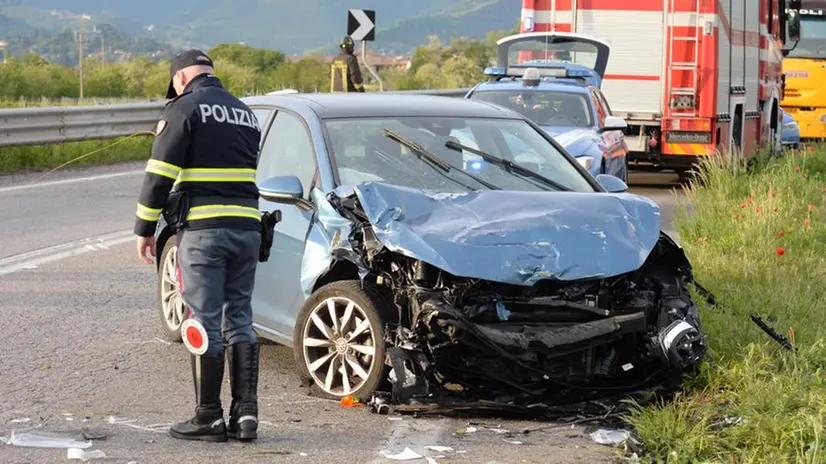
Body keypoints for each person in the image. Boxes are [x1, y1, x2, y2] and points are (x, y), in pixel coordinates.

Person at [133, 49, 263, 443]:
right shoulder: (246, 113)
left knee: (204, 320)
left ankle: (208, 416)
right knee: (240, 317)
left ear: (180, 78)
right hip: (248, 229)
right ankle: (245, 416)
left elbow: (159, 175)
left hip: (205, 231)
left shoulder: (183, 108)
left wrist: (144, 227)